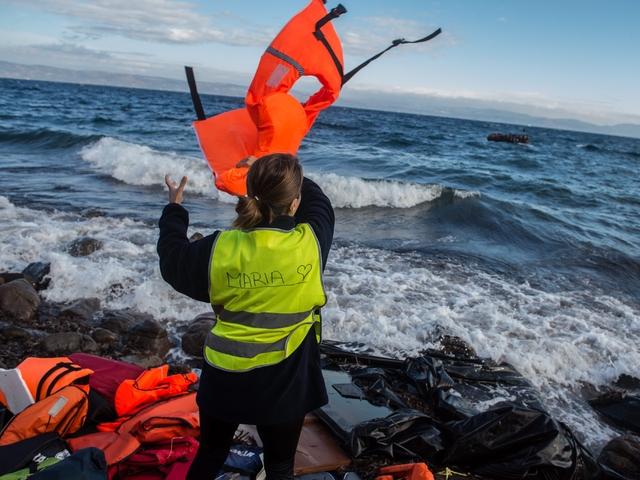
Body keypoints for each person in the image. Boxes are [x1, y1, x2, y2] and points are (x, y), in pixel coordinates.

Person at [157, 153, 335, 480]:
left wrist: (175, 208)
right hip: (286, 380)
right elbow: (320, 202)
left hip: (224, 377)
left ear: (249, 193)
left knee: (210, 454)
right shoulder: (310, 243)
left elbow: (171, 260)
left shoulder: (220, 249)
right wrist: (283, 173)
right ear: (294, 202)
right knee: (280, 467)